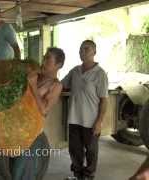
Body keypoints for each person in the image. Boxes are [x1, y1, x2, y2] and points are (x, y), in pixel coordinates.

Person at [9, 47, 65, 180]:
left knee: (22, 171)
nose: (44, 61)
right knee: (13, 167)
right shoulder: (36, 76)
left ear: (58, 65)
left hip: (32, 133)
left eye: (48, 59)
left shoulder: (56, 86)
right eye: (44, 57)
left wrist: (33, 86)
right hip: (18, 128)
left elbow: (44, 110)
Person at [62, 40, 108, 180]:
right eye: (81, 49)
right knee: (75, 151)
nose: (82, 52)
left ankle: (88, 177)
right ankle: (78, 176)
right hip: (74, 119)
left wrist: (99, 122)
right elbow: (62, 85)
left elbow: (104, 100)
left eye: (86, 49)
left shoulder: (100, 74)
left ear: (94, 52)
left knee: (91, 152)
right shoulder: (75, 71)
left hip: (91, 121)